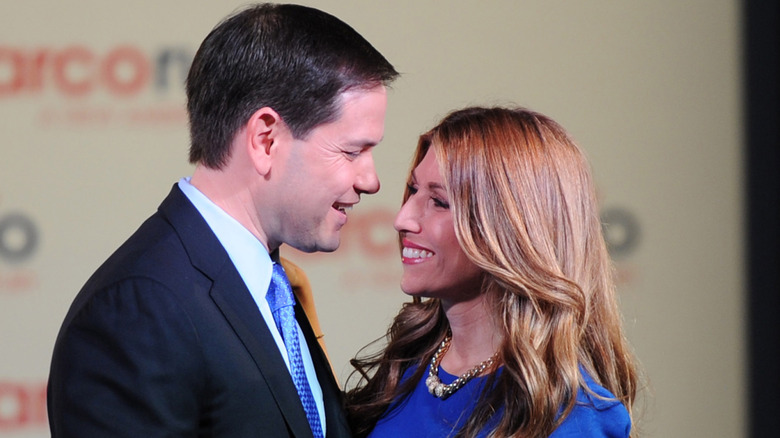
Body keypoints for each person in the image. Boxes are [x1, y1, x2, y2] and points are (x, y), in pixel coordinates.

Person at [47, 3, 398, 437]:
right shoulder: (137, 311)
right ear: (265, 139)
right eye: (352, 151)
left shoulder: (272, 288)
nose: (371, 180)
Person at [346, 107, 640, 437]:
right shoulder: (402, 368)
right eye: (414, 191)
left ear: (514, 228)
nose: (402, 219)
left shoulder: (574, 418)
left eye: (440, 202)